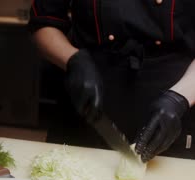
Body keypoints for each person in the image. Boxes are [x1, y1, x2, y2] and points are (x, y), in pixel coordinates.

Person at [28, 0, 195, 162]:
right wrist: (73, 60)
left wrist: (179, 98)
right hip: (88, 98)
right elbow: (44, 21)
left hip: (174, 102)